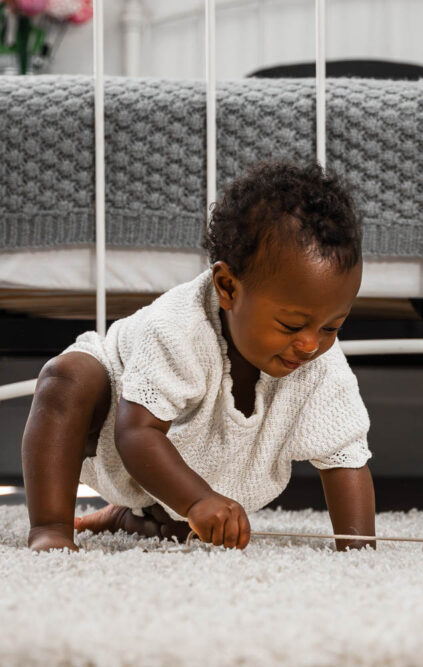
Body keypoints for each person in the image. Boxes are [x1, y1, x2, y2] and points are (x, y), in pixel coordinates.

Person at [22, 162, 375, 552]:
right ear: (227, 287)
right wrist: (197, 500)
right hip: (114, 430)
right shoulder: (178, 327)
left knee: (191, 527)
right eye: (292, 325)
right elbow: (136, 433)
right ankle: (51, 527)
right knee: (66, 377)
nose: (311, 344)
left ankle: (125, 518)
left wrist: (358, 547)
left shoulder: (322, 367)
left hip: (194, 455)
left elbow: (346, 457)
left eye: (332, 327)